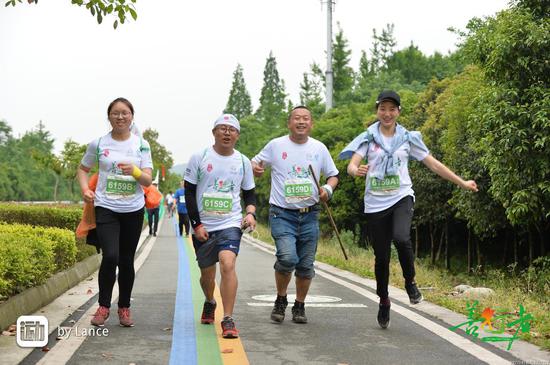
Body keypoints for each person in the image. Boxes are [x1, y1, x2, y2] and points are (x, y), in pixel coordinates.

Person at [340, 90, 478, 329]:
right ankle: (384, 300)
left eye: (392, 109)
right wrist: (356, 170)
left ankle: (410, 282)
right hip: (375, 203)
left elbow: (433, 164)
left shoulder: (408, 138)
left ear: (398, 112)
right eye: (383, 109)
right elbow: (352, 164)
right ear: (377, 111)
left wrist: (462, 182)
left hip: (402, 196)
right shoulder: (368, 138)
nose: (387, 113)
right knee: (381, 258)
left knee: (402, 238)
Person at [251, 106, 339, 324]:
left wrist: (327, 190)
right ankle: (281, 299)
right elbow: (255, 162)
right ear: (289, 123)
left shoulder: (319, 148)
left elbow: (333, 175)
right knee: (287, 257)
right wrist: (256, 169)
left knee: (306, 265)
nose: (301, 122)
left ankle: (299, 305)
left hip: (310, 214)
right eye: (297, 118)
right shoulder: (276, 145)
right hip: (282, 214)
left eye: (306, 119)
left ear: (312, 124)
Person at [77, 97, 153, 327]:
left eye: (125, 113)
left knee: (126, 260)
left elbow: (148, 180)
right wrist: (84, 190)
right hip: (106, 207)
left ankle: (124, 308)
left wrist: (136, 171)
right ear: (109, 117)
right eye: (115, 113)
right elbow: (82, 169)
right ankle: (103, 306)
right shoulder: (99, 143)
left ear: (132, 117)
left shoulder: (141, 145)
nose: (120, 117)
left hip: (133, 208)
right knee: (110, 256)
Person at [184, 114, 256, 338]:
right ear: (214, 132)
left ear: (237, 135)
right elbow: (189, 193)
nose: (227, 133)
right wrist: (196, 225)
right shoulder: (200, 157)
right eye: (222, 128)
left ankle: (228, 318)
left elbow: (250, 193)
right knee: (207, 275)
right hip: (204, 226)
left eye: (231, 129)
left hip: (230, 223)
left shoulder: (243, 162)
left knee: (227, 263)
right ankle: (209, 300)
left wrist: (250, 213)